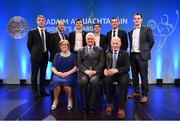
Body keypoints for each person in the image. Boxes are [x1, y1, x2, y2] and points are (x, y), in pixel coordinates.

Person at [128, 13, 154, 103]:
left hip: (142, 56)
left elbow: (151, 41)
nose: (136, 20)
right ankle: (136, 92)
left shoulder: (147, 30)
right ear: (133, 20)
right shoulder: (130, 31)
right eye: (135, 18)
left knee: (143, 76)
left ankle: (145, 94)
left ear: (141, 19)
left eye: (138, 18)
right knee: (134, 75)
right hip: (132, 55)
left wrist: (145, 51)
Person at [77, 33, 104, 113]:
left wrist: (95, 71)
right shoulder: (81, 50)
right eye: (88, 39)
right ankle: (84, 105)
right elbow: (79, 63)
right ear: (86, 40)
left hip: (96, 72)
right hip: (84, 72)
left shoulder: (99, 49)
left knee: (94, 82)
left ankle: (92, 105)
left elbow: (101, 62)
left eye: (91, 39)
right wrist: (86, 71)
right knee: (82, 82)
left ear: (94, 40)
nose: (90, 40)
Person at [104, 37, 130, 119]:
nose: (115, 45)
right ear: (111, 44)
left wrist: (117, 70)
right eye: (113, 43)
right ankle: (109, 104)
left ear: (120, 44)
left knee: (124, 82)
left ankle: (121, 108)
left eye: (116, 43)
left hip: (121, 74)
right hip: (111, 74)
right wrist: (104, 70)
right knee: (106, 81)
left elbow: (127, 68)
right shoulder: (108, 53)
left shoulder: (125, 54)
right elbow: (105, 65)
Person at [27, 15, 50, 98]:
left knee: (43, 74)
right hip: (35, 57)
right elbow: (29, 45)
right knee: (34, 74)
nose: (41, 21)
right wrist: (34, 53)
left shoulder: (47, 33)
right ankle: (35, 91)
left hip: (45, 56)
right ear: (37, 22)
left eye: (42, 20)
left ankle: (42, 90)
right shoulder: (32, 32)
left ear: (44, 22)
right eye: (39, 20)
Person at [50, 40, 77, 110]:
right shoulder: (57, 55)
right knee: (56, 82)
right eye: (62, 45)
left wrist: (67, 73)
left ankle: (70, 99)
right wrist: (58, 73)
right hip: (58, 74)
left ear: (68, 46)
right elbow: (53, 68)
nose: (64, 46)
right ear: (60, 47)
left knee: (66, 83)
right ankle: (56, 100)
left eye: (65, 45)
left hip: (69, 74)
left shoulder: (73, 55)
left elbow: (75, 67)